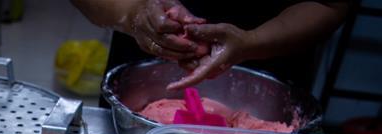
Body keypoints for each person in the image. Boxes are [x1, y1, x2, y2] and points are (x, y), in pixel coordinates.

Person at [72, 0, 350, 91]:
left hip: (272, 68)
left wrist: (252, 43)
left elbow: (330, 4)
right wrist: (133, 14)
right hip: (140, 60)